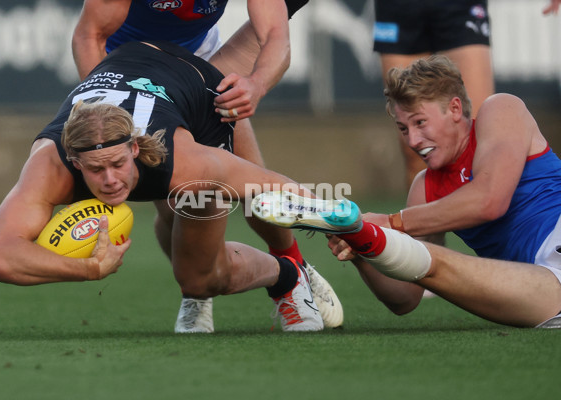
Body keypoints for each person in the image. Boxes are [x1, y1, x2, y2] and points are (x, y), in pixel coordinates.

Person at [0, 40, 341, 333]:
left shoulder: (183, 160)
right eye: (95, 169)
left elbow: (273, 185)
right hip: (138, 68)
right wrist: (89, 269)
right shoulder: (49, 165)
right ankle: (209, 292)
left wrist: (345, 227)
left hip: (202, 98)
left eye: (118, 164)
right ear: (74, 162)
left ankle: (289, 275)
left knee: (200, 274)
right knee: (174, 223)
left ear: (135, 148)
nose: (109, 179)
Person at [70, 0, 343, 331]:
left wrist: (256, 84)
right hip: (131, 76)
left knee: (253, 188)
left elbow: (274, 35)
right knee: (179, 204)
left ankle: (295, 271)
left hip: (200, 64)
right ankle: (195, 295)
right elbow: (89, 35)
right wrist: (113, 113)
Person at [251, 55, 561, 328]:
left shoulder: (501, 110)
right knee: (431, 261)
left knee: (432, 255)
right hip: (542, 292)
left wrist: (390, 222)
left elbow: (489, 201)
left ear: (455, 108)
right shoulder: (424, 187)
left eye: (420, 123)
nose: (413, 140)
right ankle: (354, 228)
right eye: (403, 129)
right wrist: (359, 248)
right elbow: (405, 299)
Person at [373, 0, 495, 190]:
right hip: (397, 6)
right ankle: (423, 218)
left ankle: (476, 216)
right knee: (414, 147)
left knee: (477, 135)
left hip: (459, 6)